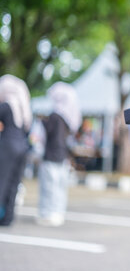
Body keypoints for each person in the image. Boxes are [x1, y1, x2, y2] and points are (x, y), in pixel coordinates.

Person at [37, 82, 81, 227]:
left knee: (49, 187)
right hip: (62, 155)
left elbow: (44, 134)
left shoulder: (55, 116)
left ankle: (48, 214)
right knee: (60, 188)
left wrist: (41, 122)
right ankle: (58, 213)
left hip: (51, 155)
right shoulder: (69, 118)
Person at [0, 75, 32, 226]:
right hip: (22, 147)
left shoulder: (6, 106)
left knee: (2, 181)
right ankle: (8, 217)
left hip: (7, 146)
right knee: (14, 183)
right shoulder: (23, 107)